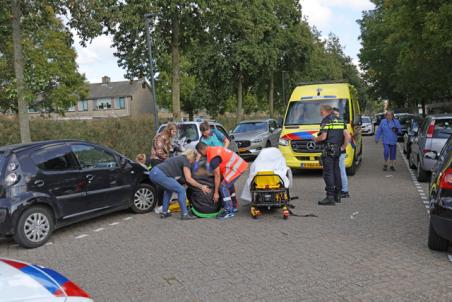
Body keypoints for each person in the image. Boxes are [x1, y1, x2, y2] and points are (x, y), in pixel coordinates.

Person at [148, 149, 210, 220]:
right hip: (160, 174)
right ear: (192, 157)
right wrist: (201, 186)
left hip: (153, 172)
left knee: (169, 190)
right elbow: (188, 179)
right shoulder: (186, 161)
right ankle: (185, 214)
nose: (194, 162)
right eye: (194, 160)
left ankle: (164, 212)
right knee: (181, 190)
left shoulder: (179, 158)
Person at [196, 142, 248, 220]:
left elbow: (217, 175)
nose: (201, 155)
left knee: (223, 187)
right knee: (228, 184)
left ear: (201, 150)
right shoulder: (214, 149)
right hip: (239, 165)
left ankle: (229, 211)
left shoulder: (213, 157)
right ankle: (233, 206)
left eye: (200, 153)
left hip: (235, 168)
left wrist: (216, 193)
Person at [314, 104, 349, 205]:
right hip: (338, 149)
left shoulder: (326, 120)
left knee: (328, 173)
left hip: (328, 150)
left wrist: (316, 138)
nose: (320, 112)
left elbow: (323, 137)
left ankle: (330, 197)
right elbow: (347, 136)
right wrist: (343, 147)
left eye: (321, 110)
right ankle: (337, 195)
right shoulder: (340, 120)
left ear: (325, 111)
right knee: (336, 171)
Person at [332, 107, 351, 198]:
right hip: (336, 151)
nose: (335, 116)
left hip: (340, 152)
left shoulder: (340, 123)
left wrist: (343, 147)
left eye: (336, 114)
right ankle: (339, 189)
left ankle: (345, 191)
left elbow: (348, 137)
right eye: (333, 114)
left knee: (341, 171)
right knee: (337, 171)